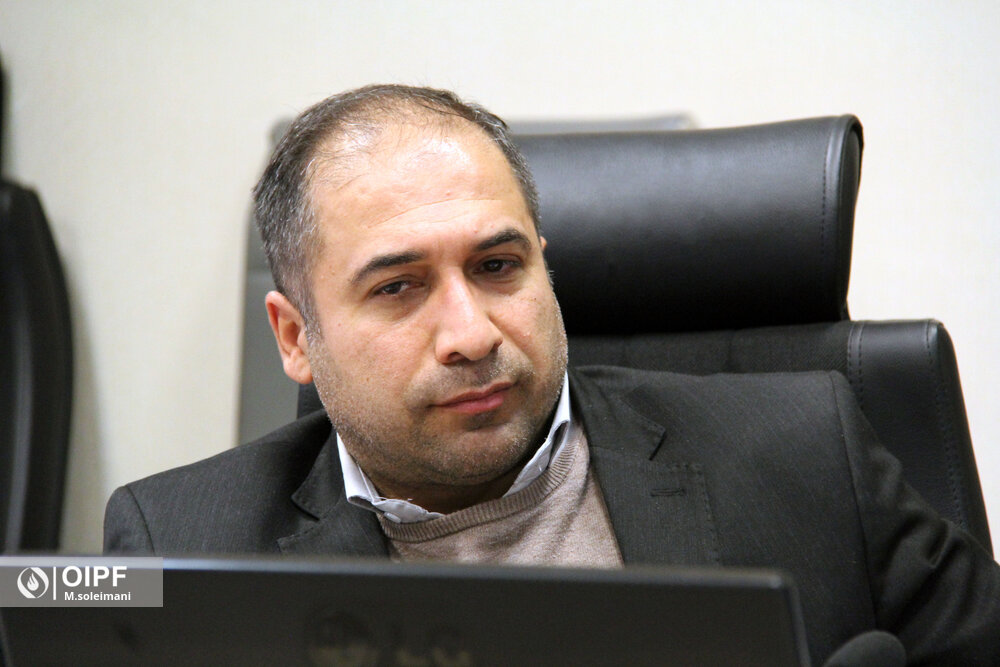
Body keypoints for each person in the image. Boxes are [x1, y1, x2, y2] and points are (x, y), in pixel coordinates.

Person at [104, 84, 1000, 663]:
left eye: (498, 267)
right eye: (399, 286)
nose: (470, 333)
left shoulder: (807, 455)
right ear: (296, 336)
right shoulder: (180, 543)